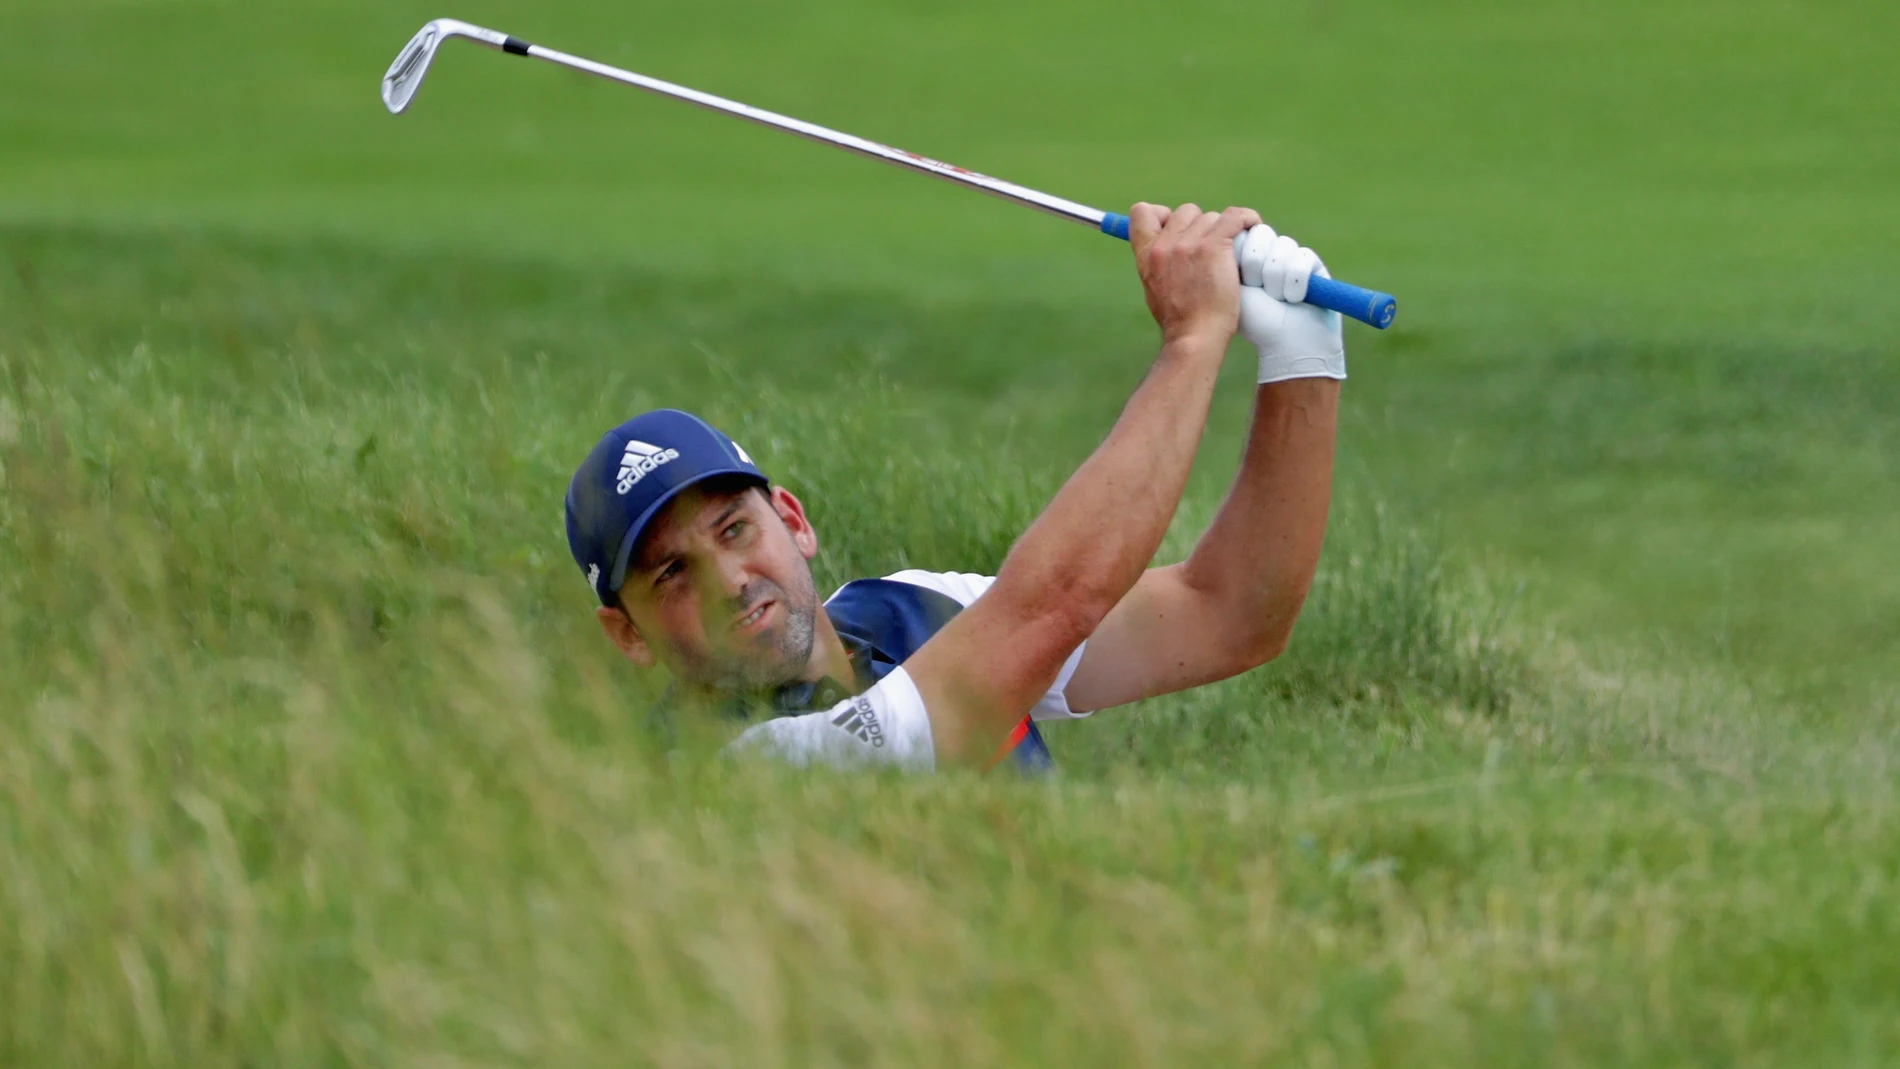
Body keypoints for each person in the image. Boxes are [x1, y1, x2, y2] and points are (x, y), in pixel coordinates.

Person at [564, 204, 1345, 771]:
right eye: (672, 573)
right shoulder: (726, 772)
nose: (729, 581)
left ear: (793, 520)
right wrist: (1195, 338)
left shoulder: (910, 610)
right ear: (627, 634)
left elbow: (1231, 615)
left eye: (734, 529)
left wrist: (1302, 357)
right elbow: (1056, 603)